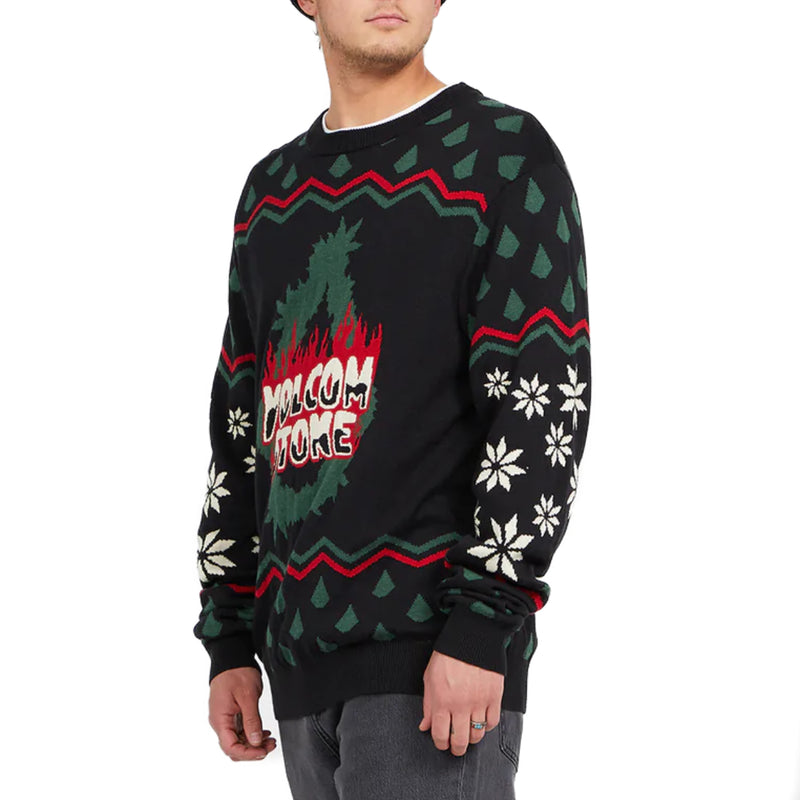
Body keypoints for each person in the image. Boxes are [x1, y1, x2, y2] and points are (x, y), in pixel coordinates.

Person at [192, 1, 591, 796]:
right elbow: (242, 422)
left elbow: (542, 397)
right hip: (297, 669)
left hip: (434, 663)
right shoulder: (271, 194)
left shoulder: (500, 154)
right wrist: (229, 635)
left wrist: (484, 619)